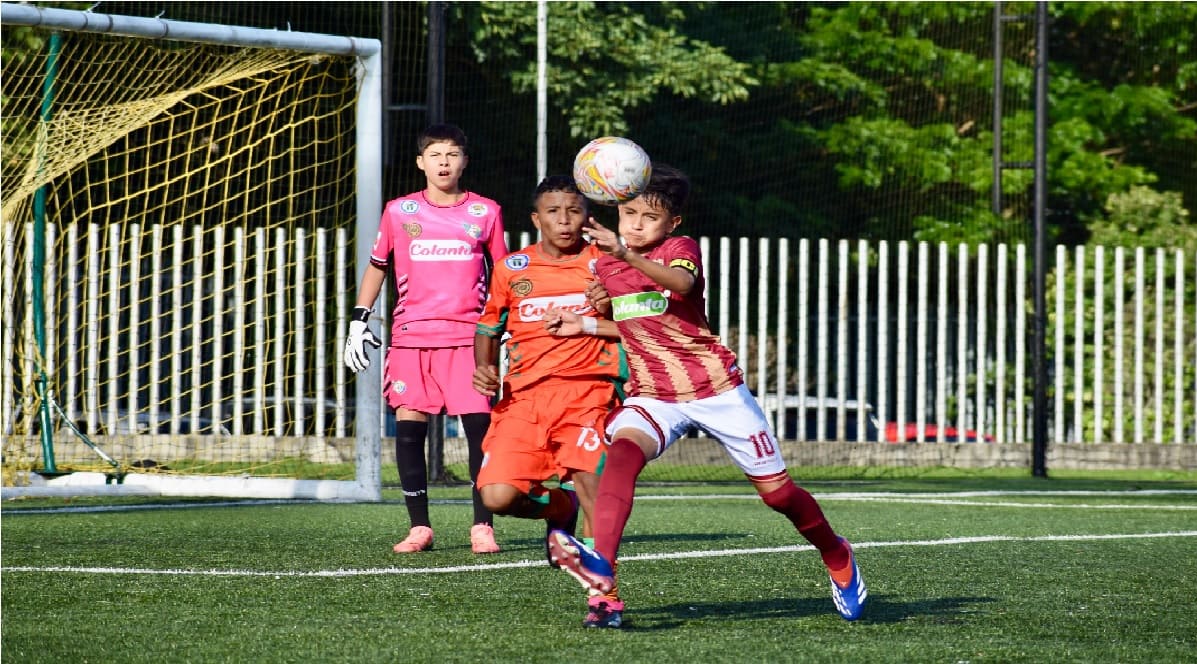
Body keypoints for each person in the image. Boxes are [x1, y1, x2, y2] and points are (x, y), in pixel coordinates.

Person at [546, 164, 868, 623]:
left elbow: (682, 285)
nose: (635, 225)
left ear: (672, 223)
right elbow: (639, 325)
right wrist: (585, 323)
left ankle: (837, 554)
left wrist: (626, 255)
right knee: (621, 454)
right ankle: (604, 580)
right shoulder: (605, 263)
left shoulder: (680, 249)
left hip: (714, 388)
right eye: (628, 213)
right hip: (653, 393)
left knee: (778, 496)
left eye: (648, 218)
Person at [344, 123, 507, 555]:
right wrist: (359, 319)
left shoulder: (486, 211)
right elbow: (378, 265)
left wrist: (506, 327)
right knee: (410, 433)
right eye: (435, 155)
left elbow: (504, 273)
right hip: (412, 339)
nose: (443, 163)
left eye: (452, 154)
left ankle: (482, 525)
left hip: (467, 341)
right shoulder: (400, 212)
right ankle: (420, 527)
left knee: (479, 433)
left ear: (464, 160)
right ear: (421, 162)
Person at [473, 175, 628, 628]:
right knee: (497, 497)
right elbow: (487, 327)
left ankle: (606, 599)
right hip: (522, 398)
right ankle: (557, 510)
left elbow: (645, 323)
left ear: (588, 215)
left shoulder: (607, 263)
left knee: (590, 484)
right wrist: (484, 368)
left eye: (574, 210)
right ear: (536, 218)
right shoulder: (512, 267)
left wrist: (612, 304)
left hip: (589, 391)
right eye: (554, 212)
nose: (565, 220)